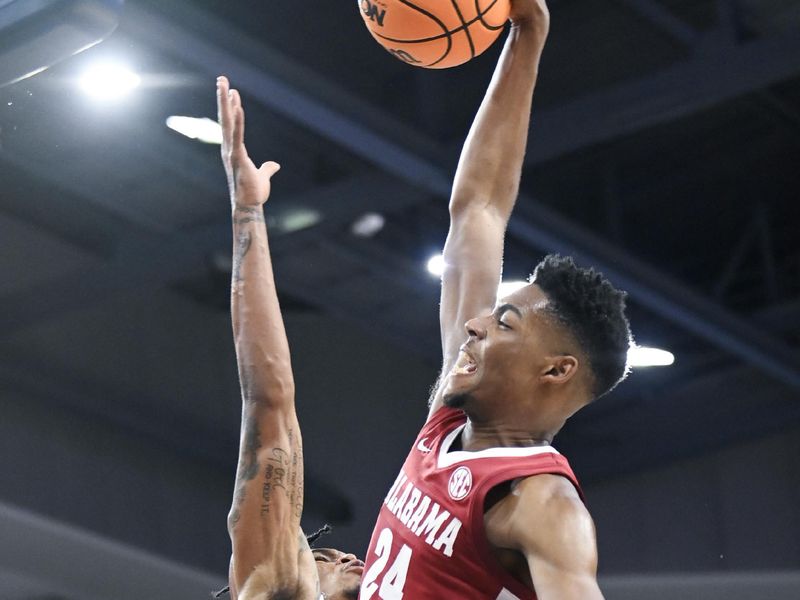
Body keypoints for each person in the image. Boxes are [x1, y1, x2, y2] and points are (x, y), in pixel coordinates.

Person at [359, 1, 631, 599]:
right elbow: (478, 207)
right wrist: (529, 36)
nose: (476, 323)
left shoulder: (540, 503)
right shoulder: (449, 421)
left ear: (556, 370)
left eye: (505, 322)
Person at [217, 75, 363, 600]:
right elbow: (271, 403)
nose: (350, 555)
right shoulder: (280, 587)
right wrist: (247, 214)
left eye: (327, 554)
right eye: (320, 557)